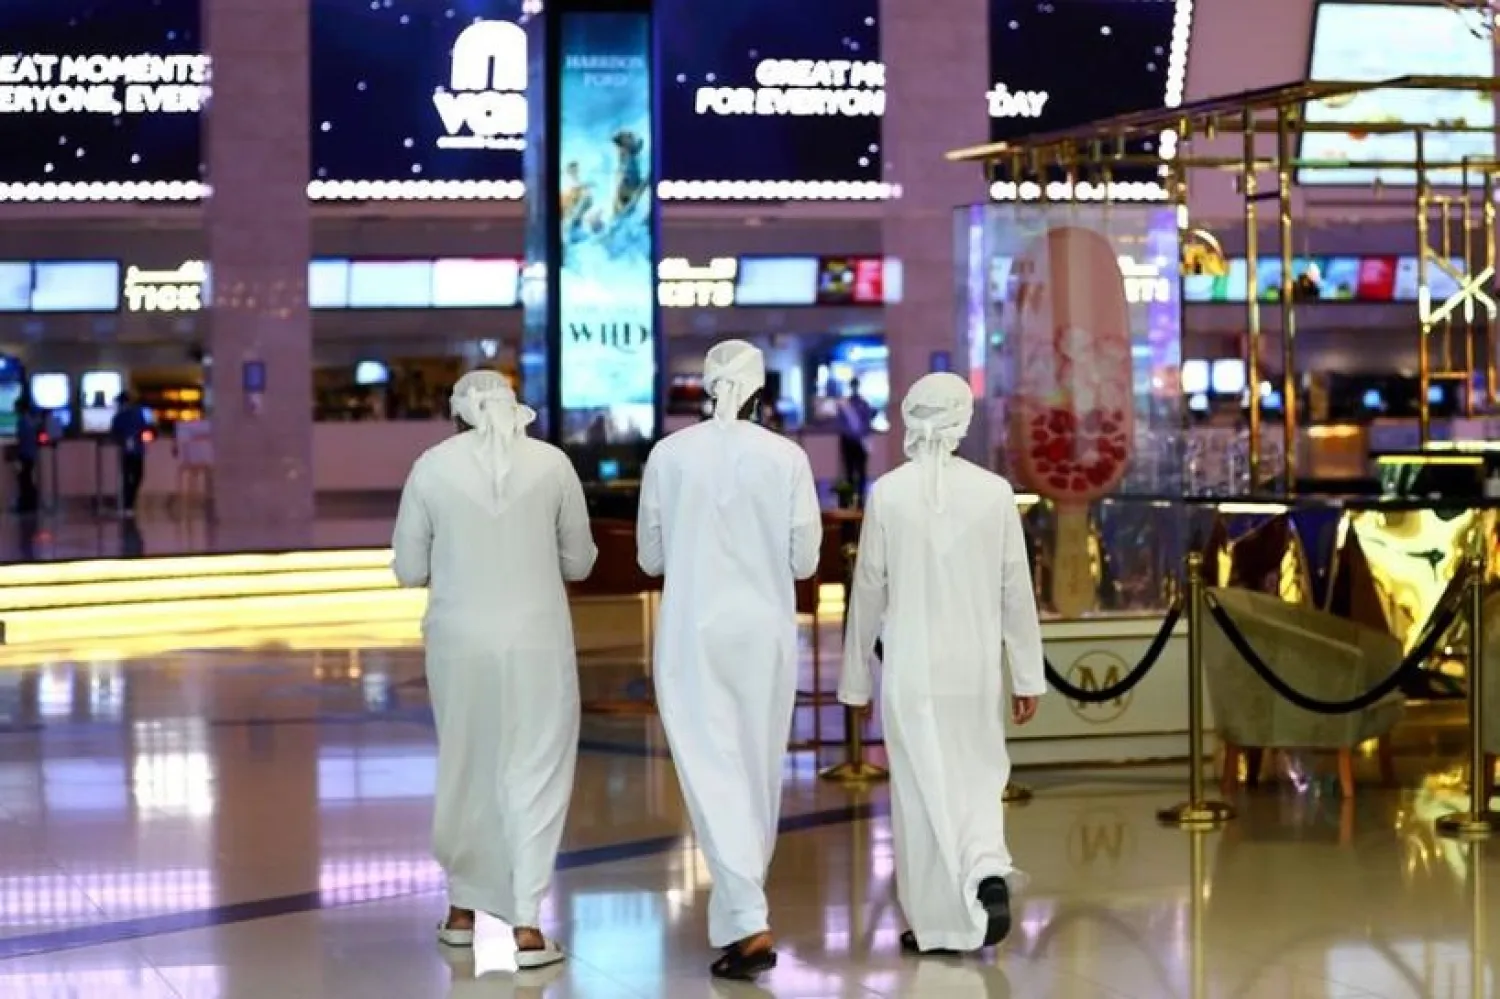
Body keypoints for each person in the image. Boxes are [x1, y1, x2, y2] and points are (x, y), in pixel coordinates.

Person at [392, 370, 597, 969]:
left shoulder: (432, 465)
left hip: (458, 643)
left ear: (458, 414)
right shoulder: (553, 464)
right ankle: (528, 928)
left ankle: (462, 912)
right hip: (538, 641)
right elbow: (580, 562)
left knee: (467, 763)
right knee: (536, 769)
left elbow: (407, 568)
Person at [837, 372, 1046, 956]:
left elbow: (869, 592)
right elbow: (1015, 589)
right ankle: (983, 870)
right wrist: (1026, 674)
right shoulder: (995, 492)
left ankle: (937, 924)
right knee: (978, 777)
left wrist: (855, 678)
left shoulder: (889, 493)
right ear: (962, 419)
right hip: (975, 669)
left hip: (913, 670)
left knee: (919, 791)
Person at [636, 340, 822, 980]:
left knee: (710, 768)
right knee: (756, 766)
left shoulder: (669, 454)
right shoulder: (787, 457)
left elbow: (649, 558)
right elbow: (805, 562)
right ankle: (746, 913)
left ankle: (748, 920)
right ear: (762, 390)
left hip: (693, 632)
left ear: (705, 388)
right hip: (765, 632)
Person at [110, 392, 151, 517]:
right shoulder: (124, 416)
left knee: (132, 477)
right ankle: (128, 504)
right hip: (132, 450)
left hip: (134, 450)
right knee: (131, 477)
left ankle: (128, 504)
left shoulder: (131, 415)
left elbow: (145, 429)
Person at [836, 377, 875, 503]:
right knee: (849, 471)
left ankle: (861, 498)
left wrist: (861, 435)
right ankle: (849, 498)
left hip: (860, 442)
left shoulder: (864, 404)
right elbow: (841, 424)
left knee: (862, 471)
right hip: (848, 442)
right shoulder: (844, 405)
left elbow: (867, 423)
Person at [13, 396, 41, 515]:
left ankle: (27, 504)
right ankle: (31, 504)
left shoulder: (22, 421)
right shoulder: (30, 420)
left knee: (25, 480)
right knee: (28, 479)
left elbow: (21, 439)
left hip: (25, 454)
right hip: (31, 454)